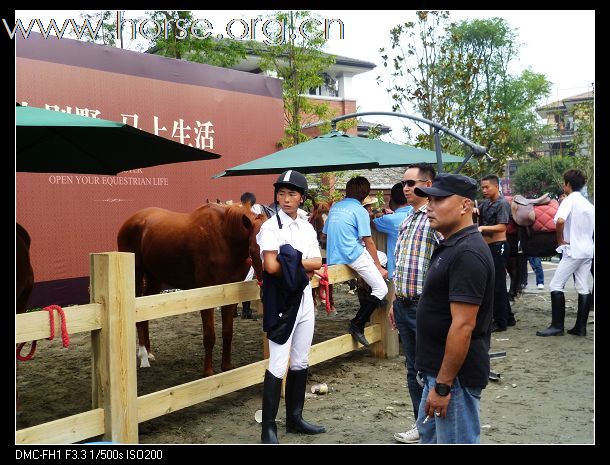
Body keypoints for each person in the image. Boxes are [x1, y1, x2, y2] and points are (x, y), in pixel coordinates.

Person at [413, 173, 494, 444]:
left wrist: (444, 385)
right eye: (428, 200)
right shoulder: (451, 244)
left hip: (454, 379)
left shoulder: (467, 252)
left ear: (465, 206)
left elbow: (463, 325)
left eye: (438, 200)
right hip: (438, 371)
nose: (429, 207)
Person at [256, 170, 326, 444]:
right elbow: (270, 266)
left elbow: (317, 262)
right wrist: (299, 264)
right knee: (277, 362)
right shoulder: (270, 227)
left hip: (305, 297)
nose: (285, 199)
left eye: (292, 194)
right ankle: (268, 427)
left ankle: (295, 418)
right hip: (280, 299)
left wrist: (289, 258)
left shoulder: (307, 227)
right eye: (281, 193)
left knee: (301, 359)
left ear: (301, 198)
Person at [389, 165, 441, 444]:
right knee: (413, 369)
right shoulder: (408, 219)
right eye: (404, 184)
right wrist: (393, 300)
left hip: (426, 306)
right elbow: (400, 265)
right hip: (403, 303)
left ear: (427, 183)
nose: (406, 188)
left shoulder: (435, 217)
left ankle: (431, 428)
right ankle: (421, 425)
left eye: (411, 183)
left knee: (429, 369)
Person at [322, 176, 389, 347]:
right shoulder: (360, 211)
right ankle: (357, 323)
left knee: (381, 257)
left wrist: (376, 262)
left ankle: (372, 295)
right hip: (353, 255)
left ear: (347, 190)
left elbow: (326, 234)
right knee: (382, 287)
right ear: (365, 194)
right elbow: (369, 242)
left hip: (334, 255)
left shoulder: (335, 207)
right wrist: (378, 268)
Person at [536, 169, 594, 337]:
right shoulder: (588, 204)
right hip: (587, 250)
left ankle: (557, 326)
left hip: (572, 250)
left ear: (568, 184)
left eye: (564, 183)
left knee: (555, 285)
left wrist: (560, 239)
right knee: (583, 286)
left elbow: (560, 220)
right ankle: (580, 328)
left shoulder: (569, 201)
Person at [477, 174, 515, 332]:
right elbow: (476, 211)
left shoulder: (502, 204)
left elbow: (502, 227)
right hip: (489, 248)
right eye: (482, 187)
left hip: (499, 247)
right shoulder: (485, 204)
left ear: (496, 186)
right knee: (496, 283)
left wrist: (483, 228)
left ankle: (500, 322)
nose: (484, 190)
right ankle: (509, 317)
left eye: (487, 187)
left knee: (497, 285)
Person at [373, 182, 413, 280]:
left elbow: (371, 223)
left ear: (391, 198)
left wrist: (375, 214)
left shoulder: (390, 220)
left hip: (398, 271)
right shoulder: (418, 213)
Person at [240, 192, 265, 319]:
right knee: (249, 278)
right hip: (253, 251)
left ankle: (244, 309)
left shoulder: (241, 212)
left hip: (248, 251)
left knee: (246, 278)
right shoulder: (258, 212)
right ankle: (245, 309)